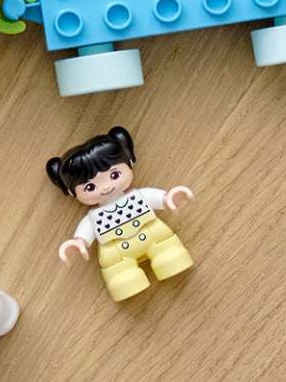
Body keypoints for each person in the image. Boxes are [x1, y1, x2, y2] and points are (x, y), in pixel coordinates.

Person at [47, 125, 196, 302]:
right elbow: (86, 232)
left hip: (154, 235)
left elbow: (158, 198)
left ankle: (170, 258)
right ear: (71, 192)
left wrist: (168, 198)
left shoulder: (139, 195)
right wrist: (79, 242)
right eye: (90, 187)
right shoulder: (93, 217)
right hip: (116, 253)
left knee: (170, 255)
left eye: (114, 175)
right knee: (122, 278)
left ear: (130, 163)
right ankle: (124, 280)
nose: (106, 187)